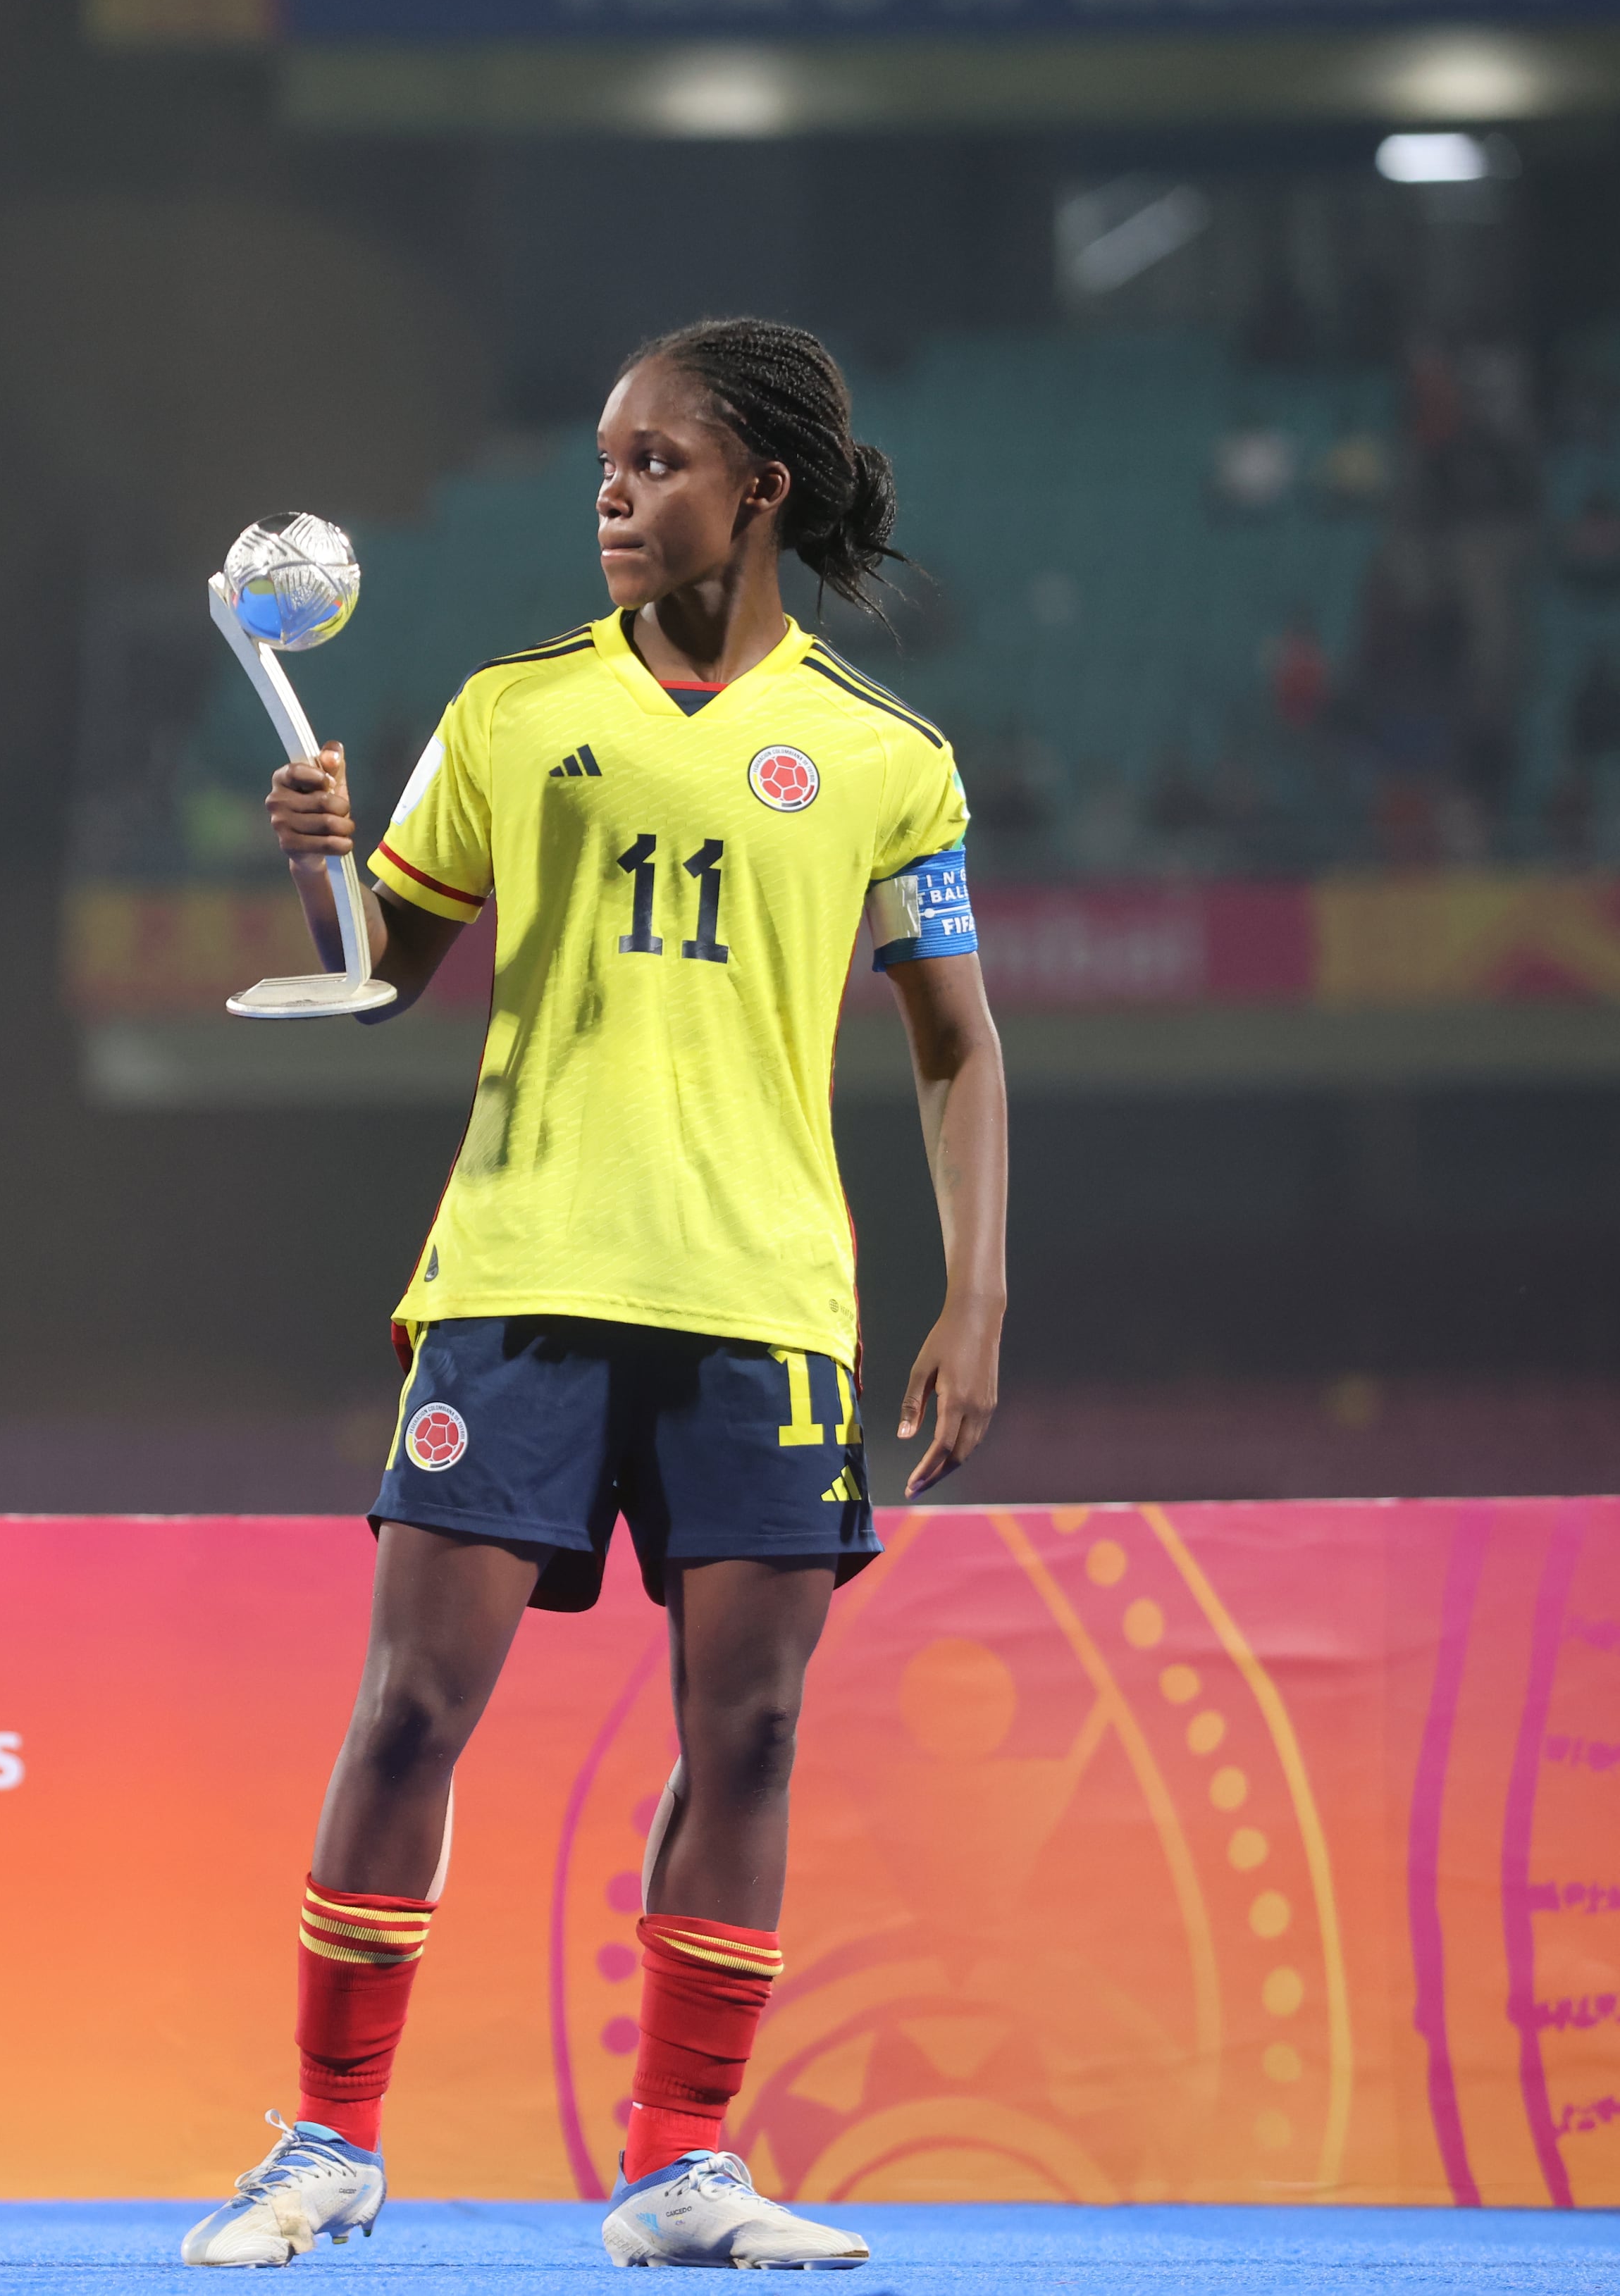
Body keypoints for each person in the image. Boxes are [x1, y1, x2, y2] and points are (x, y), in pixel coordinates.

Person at [179, 318, 1009, 2272]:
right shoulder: (508, 712)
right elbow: (376, 969)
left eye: (655, 464)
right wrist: (321, 866)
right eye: (607, 469)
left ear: (763, 490)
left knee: (754, 1738)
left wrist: (974, 1299)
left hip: (769, 1307)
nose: (617, 498)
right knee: (408, 1712)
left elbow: (959, 1046)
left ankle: (680, 2168)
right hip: (523, 1279)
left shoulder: (892, 761)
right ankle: (324, 2141)